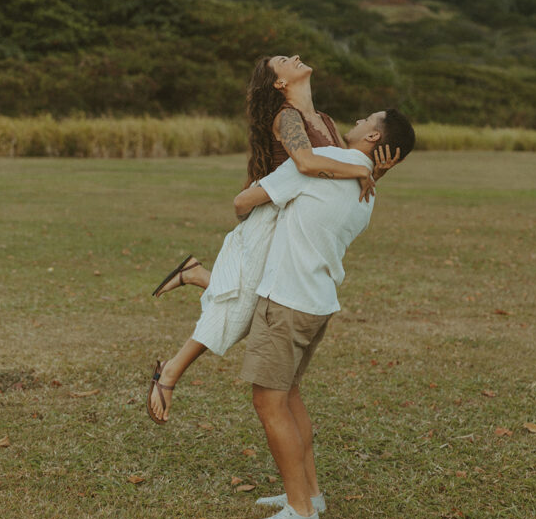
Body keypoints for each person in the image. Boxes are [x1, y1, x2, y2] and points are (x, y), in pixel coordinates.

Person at [146, 54, 399, 424]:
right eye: (285, 60)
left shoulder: (326, 121)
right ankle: (169, 373)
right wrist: (364, 169)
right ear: (279, 84)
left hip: (293, 221)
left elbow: (339, 188)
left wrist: (372, 170)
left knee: (249, 305)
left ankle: (197, 276)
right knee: (243, 309)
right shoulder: (287, 117)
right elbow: (308, 165)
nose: (295, 57)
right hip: (271, 215)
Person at [233, 108, 416, 519]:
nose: (355, 119)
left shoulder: (318, 167)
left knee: (269, 402)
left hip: (287, 301)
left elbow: (242, 204)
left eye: (366, 118)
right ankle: (310, 492)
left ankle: (301, 512)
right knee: (290, 396)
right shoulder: (366, 189)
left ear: (373, 136)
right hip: (316, 303)